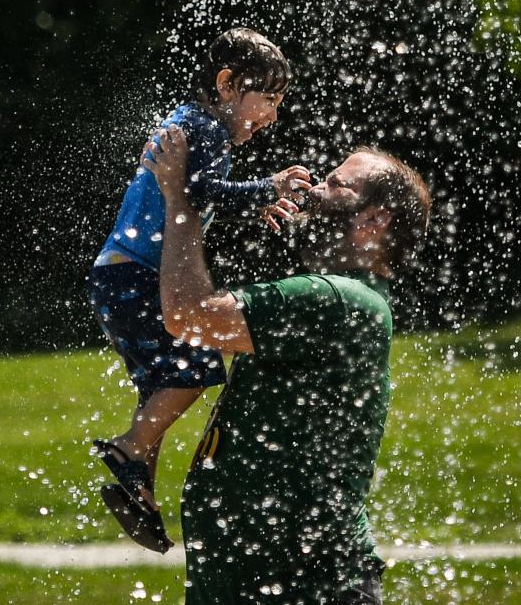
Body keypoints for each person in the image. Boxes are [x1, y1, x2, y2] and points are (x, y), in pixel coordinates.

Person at [143, 125, 432, 604]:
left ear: (375, 219)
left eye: (338, 184)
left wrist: (183, 201)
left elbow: (186, 315)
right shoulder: (339, 299)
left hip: (305, 586)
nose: (316, 187)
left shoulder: (336, 299)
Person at [89, 28, 312, 551]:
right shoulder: (201, 127)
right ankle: (128, 451)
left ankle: (139, 484)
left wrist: (253, 202)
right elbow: (196, 192)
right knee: (196, 367)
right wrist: (269, 187)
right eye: (269, 100)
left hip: (121, 273)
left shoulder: (195, 126)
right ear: (228, 84)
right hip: (136, 275)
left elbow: (198, 195)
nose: (272, 117)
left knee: (161, 384)